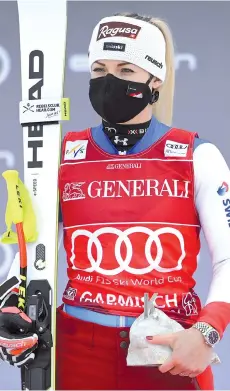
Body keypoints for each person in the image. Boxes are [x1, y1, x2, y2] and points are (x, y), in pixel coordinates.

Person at [0, 11, 230, 391]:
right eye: (99, 69)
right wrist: (12, 308)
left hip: (168, 350)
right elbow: (32, 250)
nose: (109, 81)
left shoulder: (196, 155)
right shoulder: (64, 153)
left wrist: (206, 331)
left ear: (155, 80)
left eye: (126, 70)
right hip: (76, 351)